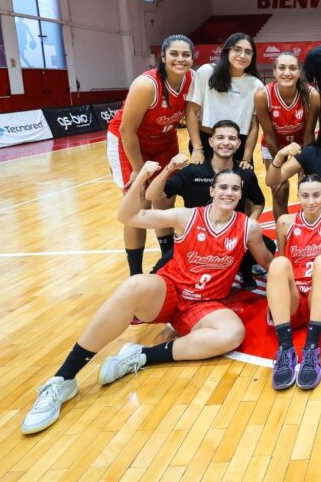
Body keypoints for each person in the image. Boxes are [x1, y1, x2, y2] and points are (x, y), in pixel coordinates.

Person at [21, 162, 271, 434]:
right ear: (212, 190)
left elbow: (268, 261)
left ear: (241, 193)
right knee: (134, 285)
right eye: (223, 187)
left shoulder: (248, 228)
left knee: (232, 333)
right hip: (170, 291)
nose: (229, 193)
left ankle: (141, 356)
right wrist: (141, 176)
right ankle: (63, 379)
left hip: (204, 305)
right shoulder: (185, 216)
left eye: (235, 188)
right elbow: (127, 216)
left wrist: (294, 274)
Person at [107, 34, 195, 276]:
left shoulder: (192, 79)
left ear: (192, 58)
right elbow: (127, 130)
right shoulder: (146, 85)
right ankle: (135, 275)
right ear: (163, 57)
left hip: (164, 141)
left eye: (186, 54)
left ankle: (167, 266)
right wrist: (139, 170)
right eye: (174, 54)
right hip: (130, 142)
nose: (180, 59)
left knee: (165, 201)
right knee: (138, 206)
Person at [145, 120, 270, 280]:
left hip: (231, 240)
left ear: (239, 144)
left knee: (267, 246)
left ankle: (243, 269)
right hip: (195, 242)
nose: (226, 142)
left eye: (231, 138)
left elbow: (258, 202)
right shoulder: (192, 172)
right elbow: (152, 195)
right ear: (211, 141)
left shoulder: (245, 174)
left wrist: (247, 226)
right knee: (156, 275)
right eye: (220, 138)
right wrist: (169, 168)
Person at [268, 174, 321, 391]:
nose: (311, 201)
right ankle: (285, 349)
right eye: (305, 196)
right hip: (295, 297)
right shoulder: (284, 222)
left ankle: (312, 348)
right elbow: (283, 260)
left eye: (316, 195)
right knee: (278, 263)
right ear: (298, 196)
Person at [254, 52, 321, 222]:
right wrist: (280, 163)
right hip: (274, 146)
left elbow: (309, 135)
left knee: (307, 188)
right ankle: (282, 230)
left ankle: (308, 228)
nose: (287, 72)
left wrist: (305, 162)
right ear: (274, 71)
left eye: (292, 68)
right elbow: (269, 136)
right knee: (280, 189)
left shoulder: (312, 95)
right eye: (282, 68)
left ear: (299, 72)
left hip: (302, 145)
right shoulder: (262, 96)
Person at [185, 32, 263, 169]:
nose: (242, 55)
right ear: (227, 51)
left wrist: (246, 157)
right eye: (237, 50)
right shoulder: (206, 72)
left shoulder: (256, 85)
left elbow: (254, 125)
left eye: (248, 52)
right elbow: (191, 111)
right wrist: (197, 148)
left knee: (239, 182)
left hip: (237, 144)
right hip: (205, 141)